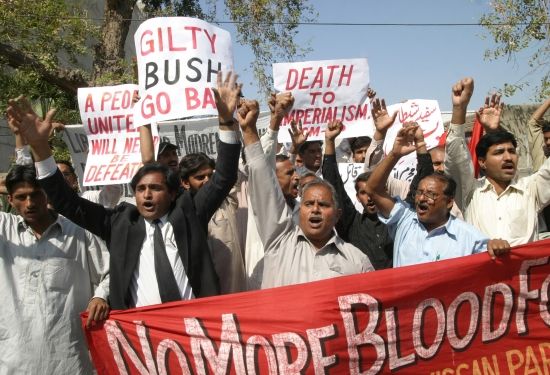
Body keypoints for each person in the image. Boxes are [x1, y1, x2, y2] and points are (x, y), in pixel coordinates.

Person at [7, 71, 242, 309]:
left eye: (155, 188)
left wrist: (225, 121)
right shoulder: (119, 223)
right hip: (142, 336)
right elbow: (65, 200)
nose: (146, 194)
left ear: (172, 193)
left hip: (196, 327)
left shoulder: (191, 212)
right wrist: (39, 147)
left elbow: (223, 177)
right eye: (140, 189)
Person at [238, 99, 373, 289]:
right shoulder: (280, 242)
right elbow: (264, 183)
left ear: (337, 215)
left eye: (324, 205)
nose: (315, 210)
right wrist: (249, 131)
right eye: (308, 204)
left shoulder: (357, 261)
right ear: (299, 209)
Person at [0, 165, 109, 373]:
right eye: (21, 197)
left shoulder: (79, 231)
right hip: (13, 361)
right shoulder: (5, 230)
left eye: (36, 194)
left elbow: (110, 272)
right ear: (10, 200)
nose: (30, 203)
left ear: (47, 194)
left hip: (68, 360)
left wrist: (101, 297)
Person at [365, 123, 511, 267]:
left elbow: (494, 264)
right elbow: (372, 189)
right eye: (420, 193)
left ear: (449, 202)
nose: (422, 198)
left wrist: (497, 247)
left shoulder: (470, 238)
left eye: (431, 195)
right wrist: (395, 154)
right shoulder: (404, 220)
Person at [445, 78, 550, 245]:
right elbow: (456, 158)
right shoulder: (470, 192)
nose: (508, 157)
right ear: (482, 162)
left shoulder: (531, 189)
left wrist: (494, 130)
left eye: (511, 151)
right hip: (483, 271)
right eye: (499, 152)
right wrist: (459, 108)